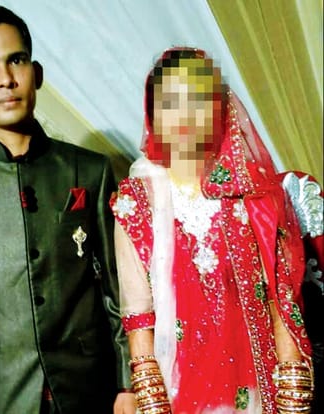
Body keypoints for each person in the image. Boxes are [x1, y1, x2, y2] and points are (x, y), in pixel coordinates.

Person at [0, 4, 136, 414]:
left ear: (37, 73)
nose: (5, 79)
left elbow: (118, 290)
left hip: (92, 390)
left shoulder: (90, 170)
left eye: (16, 60)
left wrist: (129, 384)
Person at [110, 47, 323, 413]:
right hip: (179, 390)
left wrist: (291, 396)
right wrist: (154, 403)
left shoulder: (255, 195)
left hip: (259, 389)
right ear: (153, 113)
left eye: (197, 100)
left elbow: (281, 303)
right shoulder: (136, 203)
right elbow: (138, 319)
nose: (184, 115)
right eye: (170, 102)